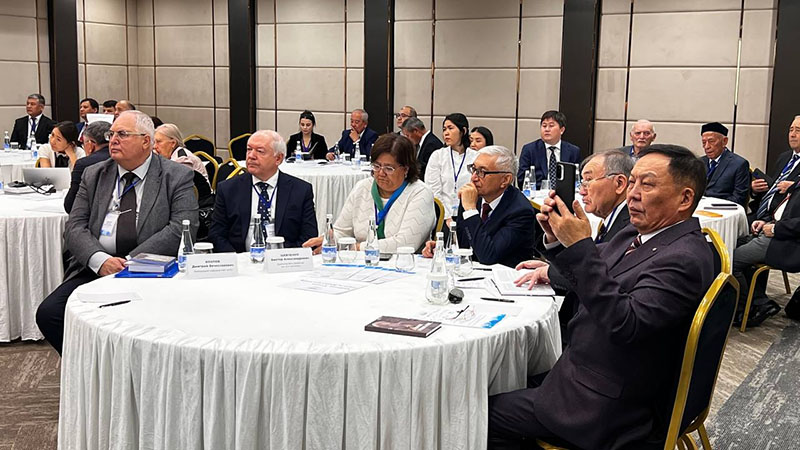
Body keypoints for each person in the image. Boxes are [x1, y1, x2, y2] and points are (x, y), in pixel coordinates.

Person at [487, 144, 714, 450]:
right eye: (632, 182)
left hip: (605, 404)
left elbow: (626, 323)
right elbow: (592, 268)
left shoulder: (684, 258)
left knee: (480, 413)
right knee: (505, 377)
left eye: (647, 185)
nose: (633, 194)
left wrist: (579, 246)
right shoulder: (637, 234)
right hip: (582, 371)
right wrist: (557, 238)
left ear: (685, 199)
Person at [36, 110, 199, 355]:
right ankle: (91, 366)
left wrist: (130, 263)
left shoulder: (175, 175)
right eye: (111, 134)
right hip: (96, 267)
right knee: (50, 314)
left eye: (122, 134)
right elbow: (75, 226)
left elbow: (182, 228)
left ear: (146, 141)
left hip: (151, 270)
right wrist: (101, 261)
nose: (113, 140)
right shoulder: (95, 174)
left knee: (144, 323)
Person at [515, 149, 633, 291]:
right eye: (581, 183)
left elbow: (601, 281)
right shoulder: (612, 220)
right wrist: (555, 239)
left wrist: (551, 272)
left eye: (588, 180)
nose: (582, 191)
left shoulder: (632, 225)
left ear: (619, 183)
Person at [305, 133, 435, 253]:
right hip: (362, 263)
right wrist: (329, 239)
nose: (381, 173)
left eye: (389, 168)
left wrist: (355, 247)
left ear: (406, 169)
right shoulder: (363, 187)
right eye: (376, 166)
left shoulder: (420, 193)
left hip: (404, 264)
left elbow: (405, 244)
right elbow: (342, 231)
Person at [423, 145, 536, 268]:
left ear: (505, 180)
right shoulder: (472, 197)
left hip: (505, 275)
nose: (473, 178)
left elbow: (488, 256)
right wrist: (443, 249)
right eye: (473, 169)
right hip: (469, 272)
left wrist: (471, 210)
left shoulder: (520, 211)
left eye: (482, 172)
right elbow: (464, 243)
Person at [209, 130, 318, 252]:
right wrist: (237, 259)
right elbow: (216, 234)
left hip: (285, 259)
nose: (251, 156)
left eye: (260, 151)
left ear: (278, 158)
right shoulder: (228, 189)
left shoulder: (300, 191)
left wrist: (284, 257)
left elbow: (309, 236)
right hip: (241, 258)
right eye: (249, 149)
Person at [733, 183, 800, 328]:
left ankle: (746, 309)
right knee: (732, 244)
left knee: (731, 261)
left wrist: (776, 229)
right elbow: (787, 211)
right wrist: (767, 222)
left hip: (788, 243)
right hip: (777, 232)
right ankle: (759, 301)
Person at [425, 113, 479, 217]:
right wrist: (446, 217)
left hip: (468, 212)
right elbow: (433, 190)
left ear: (463, 131)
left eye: (450, 128)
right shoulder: (438, 156)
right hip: (442, 214)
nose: (446, 133)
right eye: (444, 129)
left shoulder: (475, 157)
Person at [749, 115, 800, 223]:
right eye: (791, 130)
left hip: (781, 221)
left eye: (798, 130)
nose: (792, 135)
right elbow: (772, 189)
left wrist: (793, 187)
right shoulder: (784, 157)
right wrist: (755, 189)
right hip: (758, 212)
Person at [517, 110, 581, 188]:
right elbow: (521, 180)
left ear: (562, 130)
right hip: (538, 193)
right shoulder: (529, 150)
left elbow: (578, 179)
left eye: (551, 126)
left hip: (563, 193)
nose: (547, 129)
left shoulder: (573, 151)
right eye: (544, 126)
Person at [64, 121, 111, 213]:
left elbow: (70, 205)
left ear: (90, 144)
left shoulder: (84, 164)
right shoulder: (123, 159)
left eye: (83, 144)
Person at [699, 122, 750, 206]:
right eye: (704, 142)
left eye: (711, 141)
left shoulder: (739, 164)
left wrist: (711, 204)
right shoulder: (699, 162)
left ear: (724, 141)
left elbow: (739, 198)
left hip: (722, 209)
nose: (707, 146)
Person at [401, 116, 443, 181]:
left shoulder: (431, 144)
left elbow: (426, 170)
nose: (408, 139)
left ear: (416, 131)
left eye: (408, 135)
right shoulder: (421, 143)